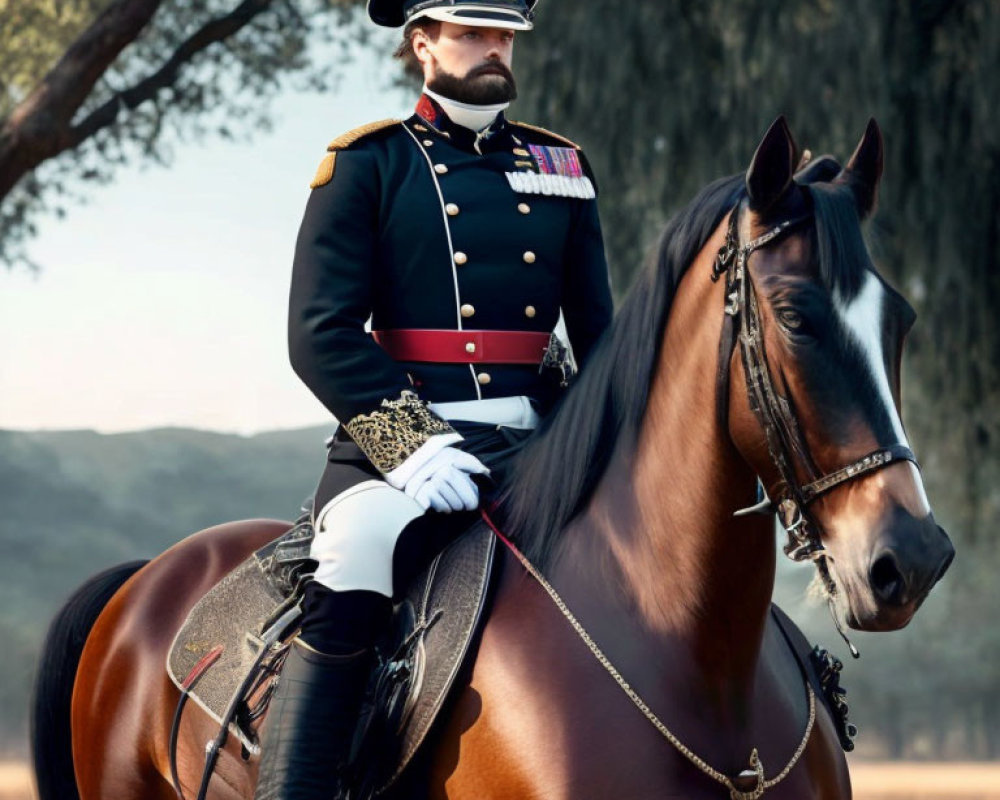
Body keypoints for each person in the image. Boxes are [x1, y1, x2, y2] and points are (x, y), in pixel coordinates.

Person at [254, 1, 614, 797]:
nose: (495, 48)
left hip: (538, 446)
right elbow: (321, 333)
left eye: (504, 35)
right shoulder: (367, 163)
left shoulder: (562, 168)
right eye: (473, 33)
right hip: (406, 452)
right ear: (423, 43)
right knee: (354, 554)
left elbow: (601, 341)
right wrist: (409, 443)